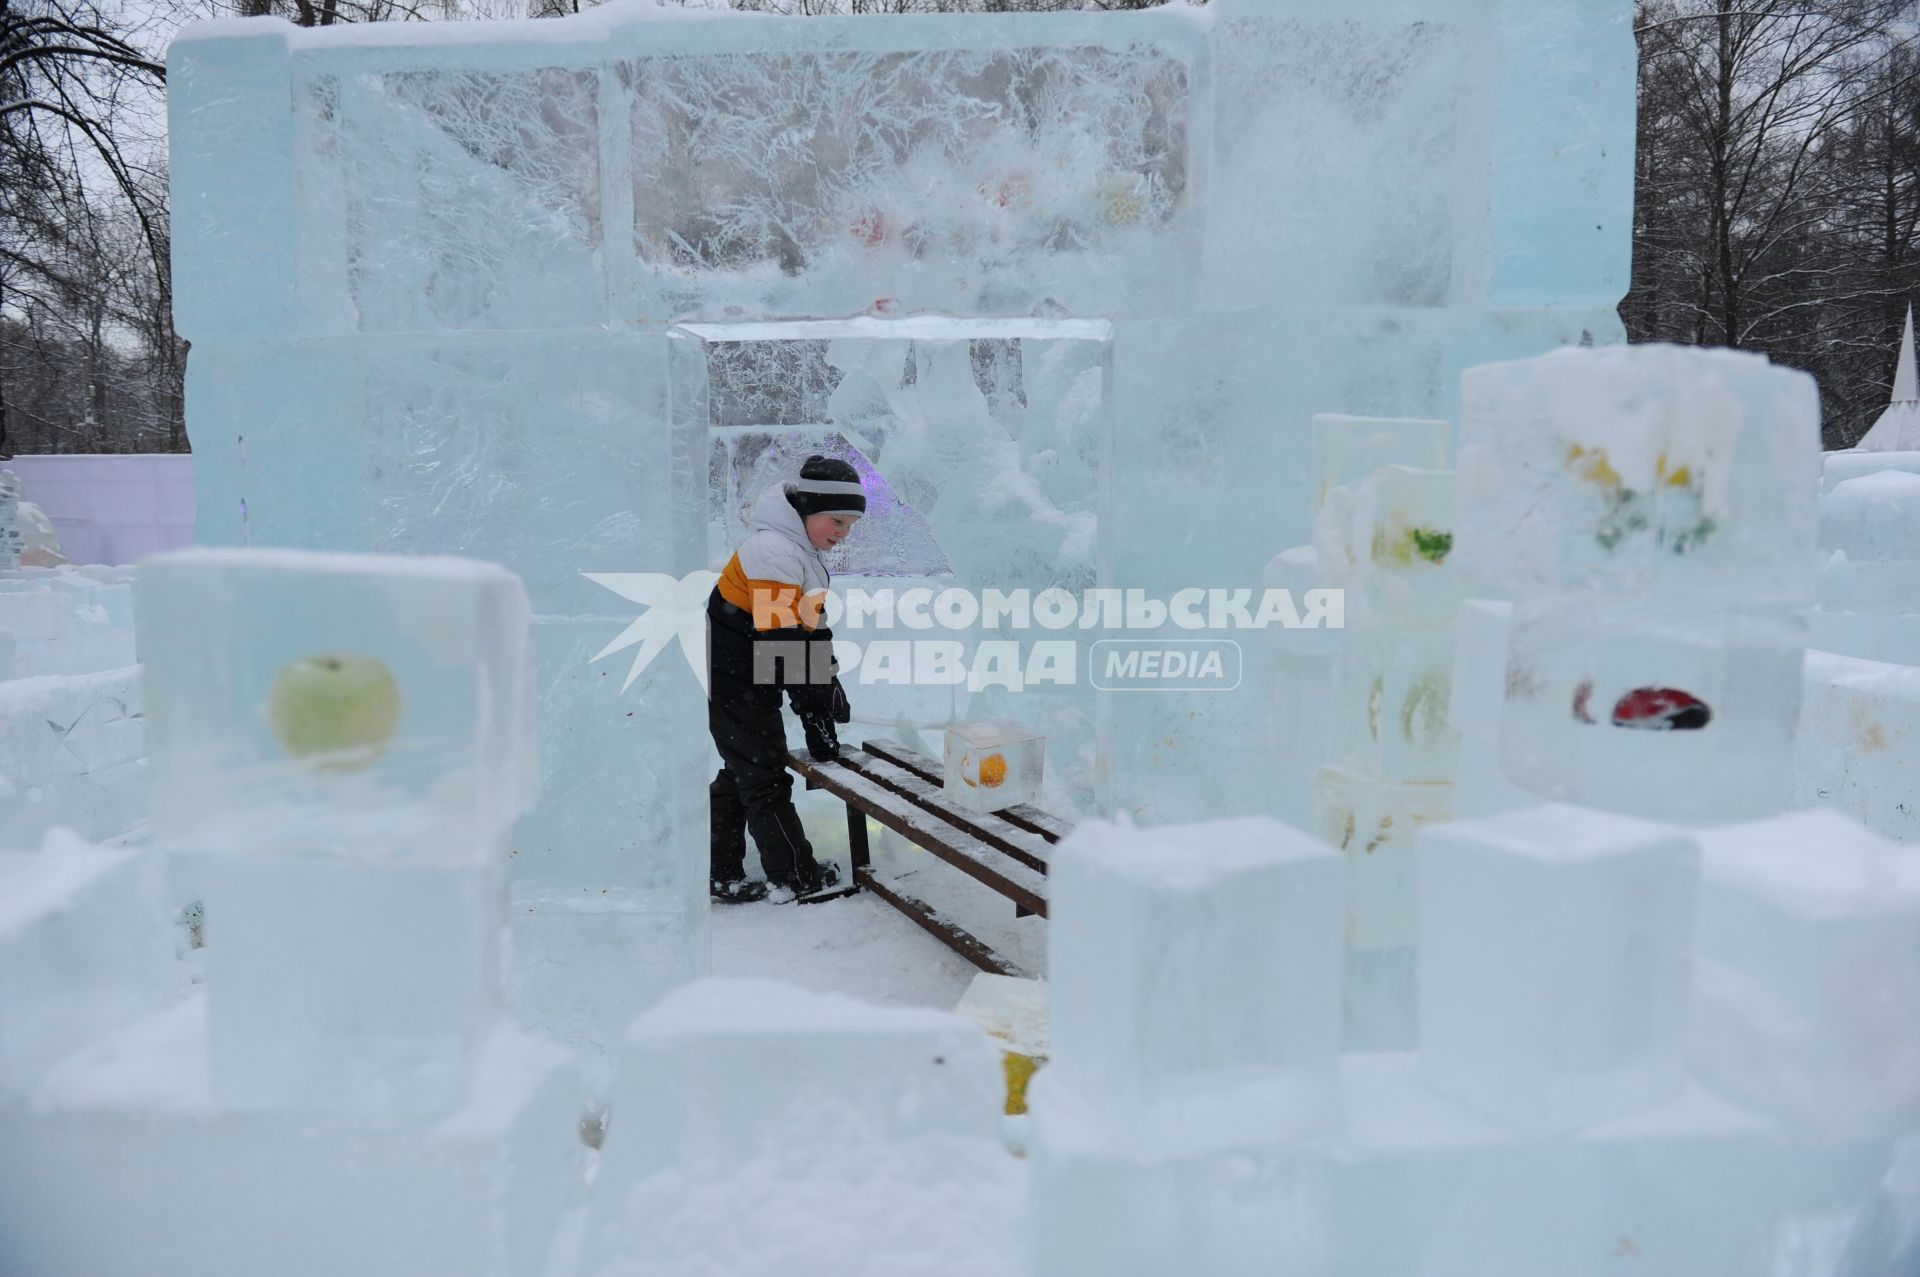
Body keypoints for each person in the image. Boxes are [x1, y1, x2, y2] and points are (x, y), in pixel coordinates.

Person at [707, 455, 863, 904]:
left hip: (750, 671)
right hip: (737, 676)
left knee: (743, 770)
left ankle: (722, 872)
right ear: (808, 509)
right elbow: (784, 644)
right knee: (762, 775)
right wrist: (813, 701)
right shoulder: (773, 551)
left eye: (850, 525)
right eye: (837, 520)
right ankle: (795, 877)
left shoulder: (800, 551)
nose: (842, 532)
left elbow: (809, 626)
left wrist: (823, 694)